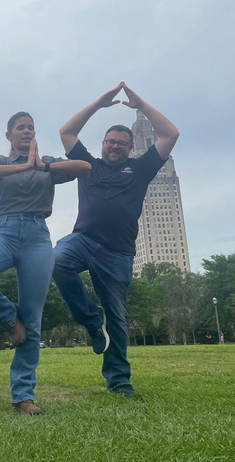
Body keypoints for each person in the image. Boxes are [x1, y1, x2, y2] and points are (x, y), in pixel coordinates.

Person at [52, 82, 179, 398]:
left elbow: (170, 135)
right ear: (103, 143)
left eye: (122, 143)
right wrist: (98, 103)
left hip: (118, 252)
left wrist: (141, 104)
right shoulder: (87, 164)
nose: (115, 146)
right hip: (83, 239)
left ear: (130, 147)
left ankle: (119, 380)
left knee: (118, 316)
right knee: (55, 260)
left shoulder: (140, 169)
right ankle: (92, 321)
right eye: (110, 141)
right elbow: (66, 132)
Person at [0, 112, 90, 415]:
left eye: (31, 127)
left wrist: (42, 166)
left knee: (33, 319)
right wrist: (24, 165)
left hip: (37, 236)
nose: (27, 131)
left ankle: (23, 396)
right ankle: (9, 319)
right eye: (20, 127)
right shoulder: (2, 162)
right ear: (9, 135)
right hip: (4, 231)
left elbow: (85, 168)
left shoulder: (47, 163)